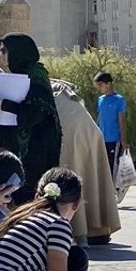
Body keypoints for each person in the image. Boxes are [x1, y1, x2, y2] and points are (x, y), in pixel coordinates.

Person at [0, 34, 62, 207]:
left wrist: (3, 105)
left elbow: (34, 113)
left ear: (19, 52)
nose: (2, 56)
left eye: (5, 51)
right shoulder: (18, 75)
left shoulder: (37, 78)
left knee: (29, 202)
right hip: (22, 153)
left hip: (36, 152)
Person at [50, 79, 121, 245]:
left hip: (68, 132)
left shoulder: (39, 88)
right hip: (90, 133)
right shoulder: (63, 91)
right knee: (89, 175)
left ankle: (78, 230)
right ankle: (97, 228)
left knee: (67, 176)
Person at [95, 71, 126, 173]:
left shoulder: (119, 100)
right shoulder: (100, 100)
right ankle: (105, 187)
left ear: (108, 84)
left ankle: (113, 187)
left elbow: (121, 120)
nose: (99, 88)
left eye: (100, 85)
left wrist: (124, 140)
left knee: (113, 165)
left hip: (114, 139)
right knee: (103, 165)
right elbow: (100, 118)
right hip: (102, 139)